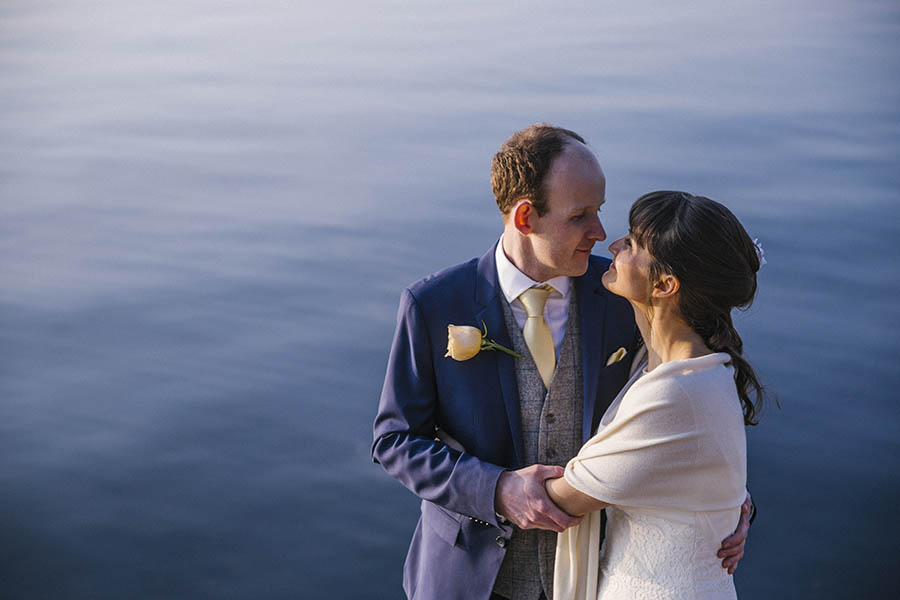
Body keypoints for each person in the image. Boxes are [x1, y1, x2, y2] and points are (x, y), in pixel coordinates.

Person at [372, 125, 751, 600]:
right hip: (469, 580)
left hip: (594, 577)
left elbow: (689, 399)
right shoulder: (433, 304)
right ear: (527, 217)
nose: (600, 233)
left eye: (600, 211)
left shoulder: (622, 293)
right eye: (581, 216)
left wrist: (721, 500)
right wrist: (496, 489)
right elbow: (394, 441)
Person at [546, 190, 764, 599]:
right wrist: (729, 500)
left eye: (630, 244)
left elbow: (568, 498)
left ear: (665, 284)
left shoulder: (676, 390)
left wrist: (481, 479)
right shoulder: (691, 365)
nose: (612, 244)